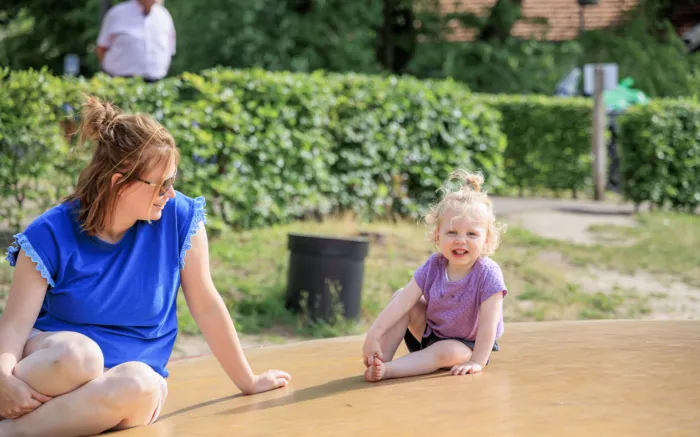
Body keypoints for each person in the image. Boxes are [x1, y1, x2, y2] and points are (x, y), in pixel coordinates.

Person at [0, 96, 291, 437]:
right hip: (54, 368)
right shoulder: (50, 233)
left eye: (173, 180)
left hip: (121, 391)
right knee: (82, 357)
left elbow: (207, 306)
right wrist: (3, 379)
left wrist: (249, 380)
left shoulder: (181, 219)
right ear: (119, 183)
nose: (170, 193)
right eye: (161, 183)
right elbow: (15, 326)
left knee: (141, 383)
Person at [362, 169, 508, 382]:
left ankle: (389, 370)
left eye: (471, 234)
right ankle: (380, 360)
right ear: (437, 235)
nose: (460, 240)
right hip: (431, 333)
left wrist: (477, 361)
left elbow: (488, 326)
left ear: (486, 239)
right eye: (452, 232)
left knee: (444, 351)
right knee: (402, 296)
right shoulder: (434, 265)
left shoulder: (488, 273)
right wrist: (373, 334)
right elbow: (402, 302)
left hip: (468, 346)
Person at [96, 0, 176, 82]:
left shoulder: (164, 15)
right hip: (120, 82)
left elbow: (170, 47)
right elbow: (101, 48)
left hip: (156, 82)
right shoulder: (117, 14)